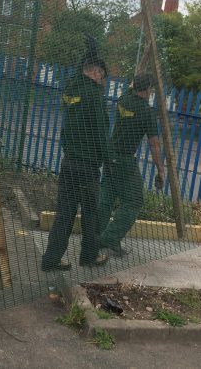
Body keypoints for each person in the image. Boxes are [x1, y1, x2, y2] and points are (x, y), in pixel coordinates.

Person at [41, 51, 110, 271]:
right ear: (94, 72)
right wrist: (107, 160)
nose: (103, 81)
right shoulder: (94, 95)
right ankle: (89, 256)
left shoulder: (71, 90)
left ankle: (51, 259)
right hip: (88, 165)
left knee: (65, 213)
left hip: (69, 162)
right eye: (102, 75)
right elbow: (101, 132)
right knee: (91, 214)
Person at [98, 72, 165, 256]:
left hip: (110, 154)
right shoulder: (146, 112)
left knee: (106, 198)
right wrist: (161, 169)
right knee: (134, 201)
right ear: (148, 89)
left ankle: (94, 236)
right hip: (125, 161)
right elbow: (154, 144)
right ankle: (110, 237)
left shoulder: (123, 99)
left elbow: (131, 86)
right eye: (151, 88)